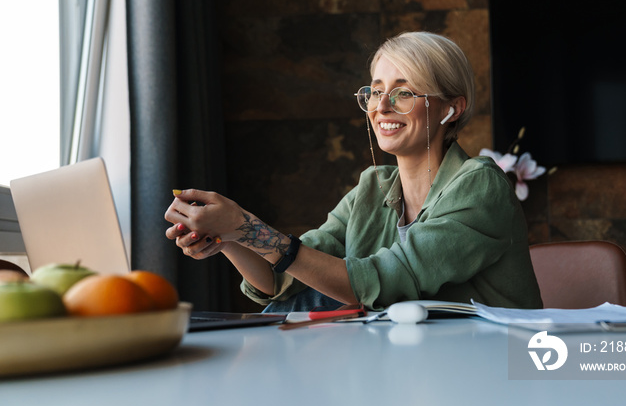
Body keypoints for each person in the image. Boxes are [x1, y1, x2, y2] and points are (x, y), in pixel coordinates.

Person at [164, 31, 542, 312]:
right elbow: (284, 275)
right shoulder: (373, 188)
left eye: (405, 92)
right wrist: (230, 237)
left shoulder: (479, 184)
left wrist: (246, 225)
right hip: (413, 369)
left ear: (451, 109)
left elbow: (385, 279)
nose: (383, 107)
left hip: (491, 373)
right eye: (376, 92)